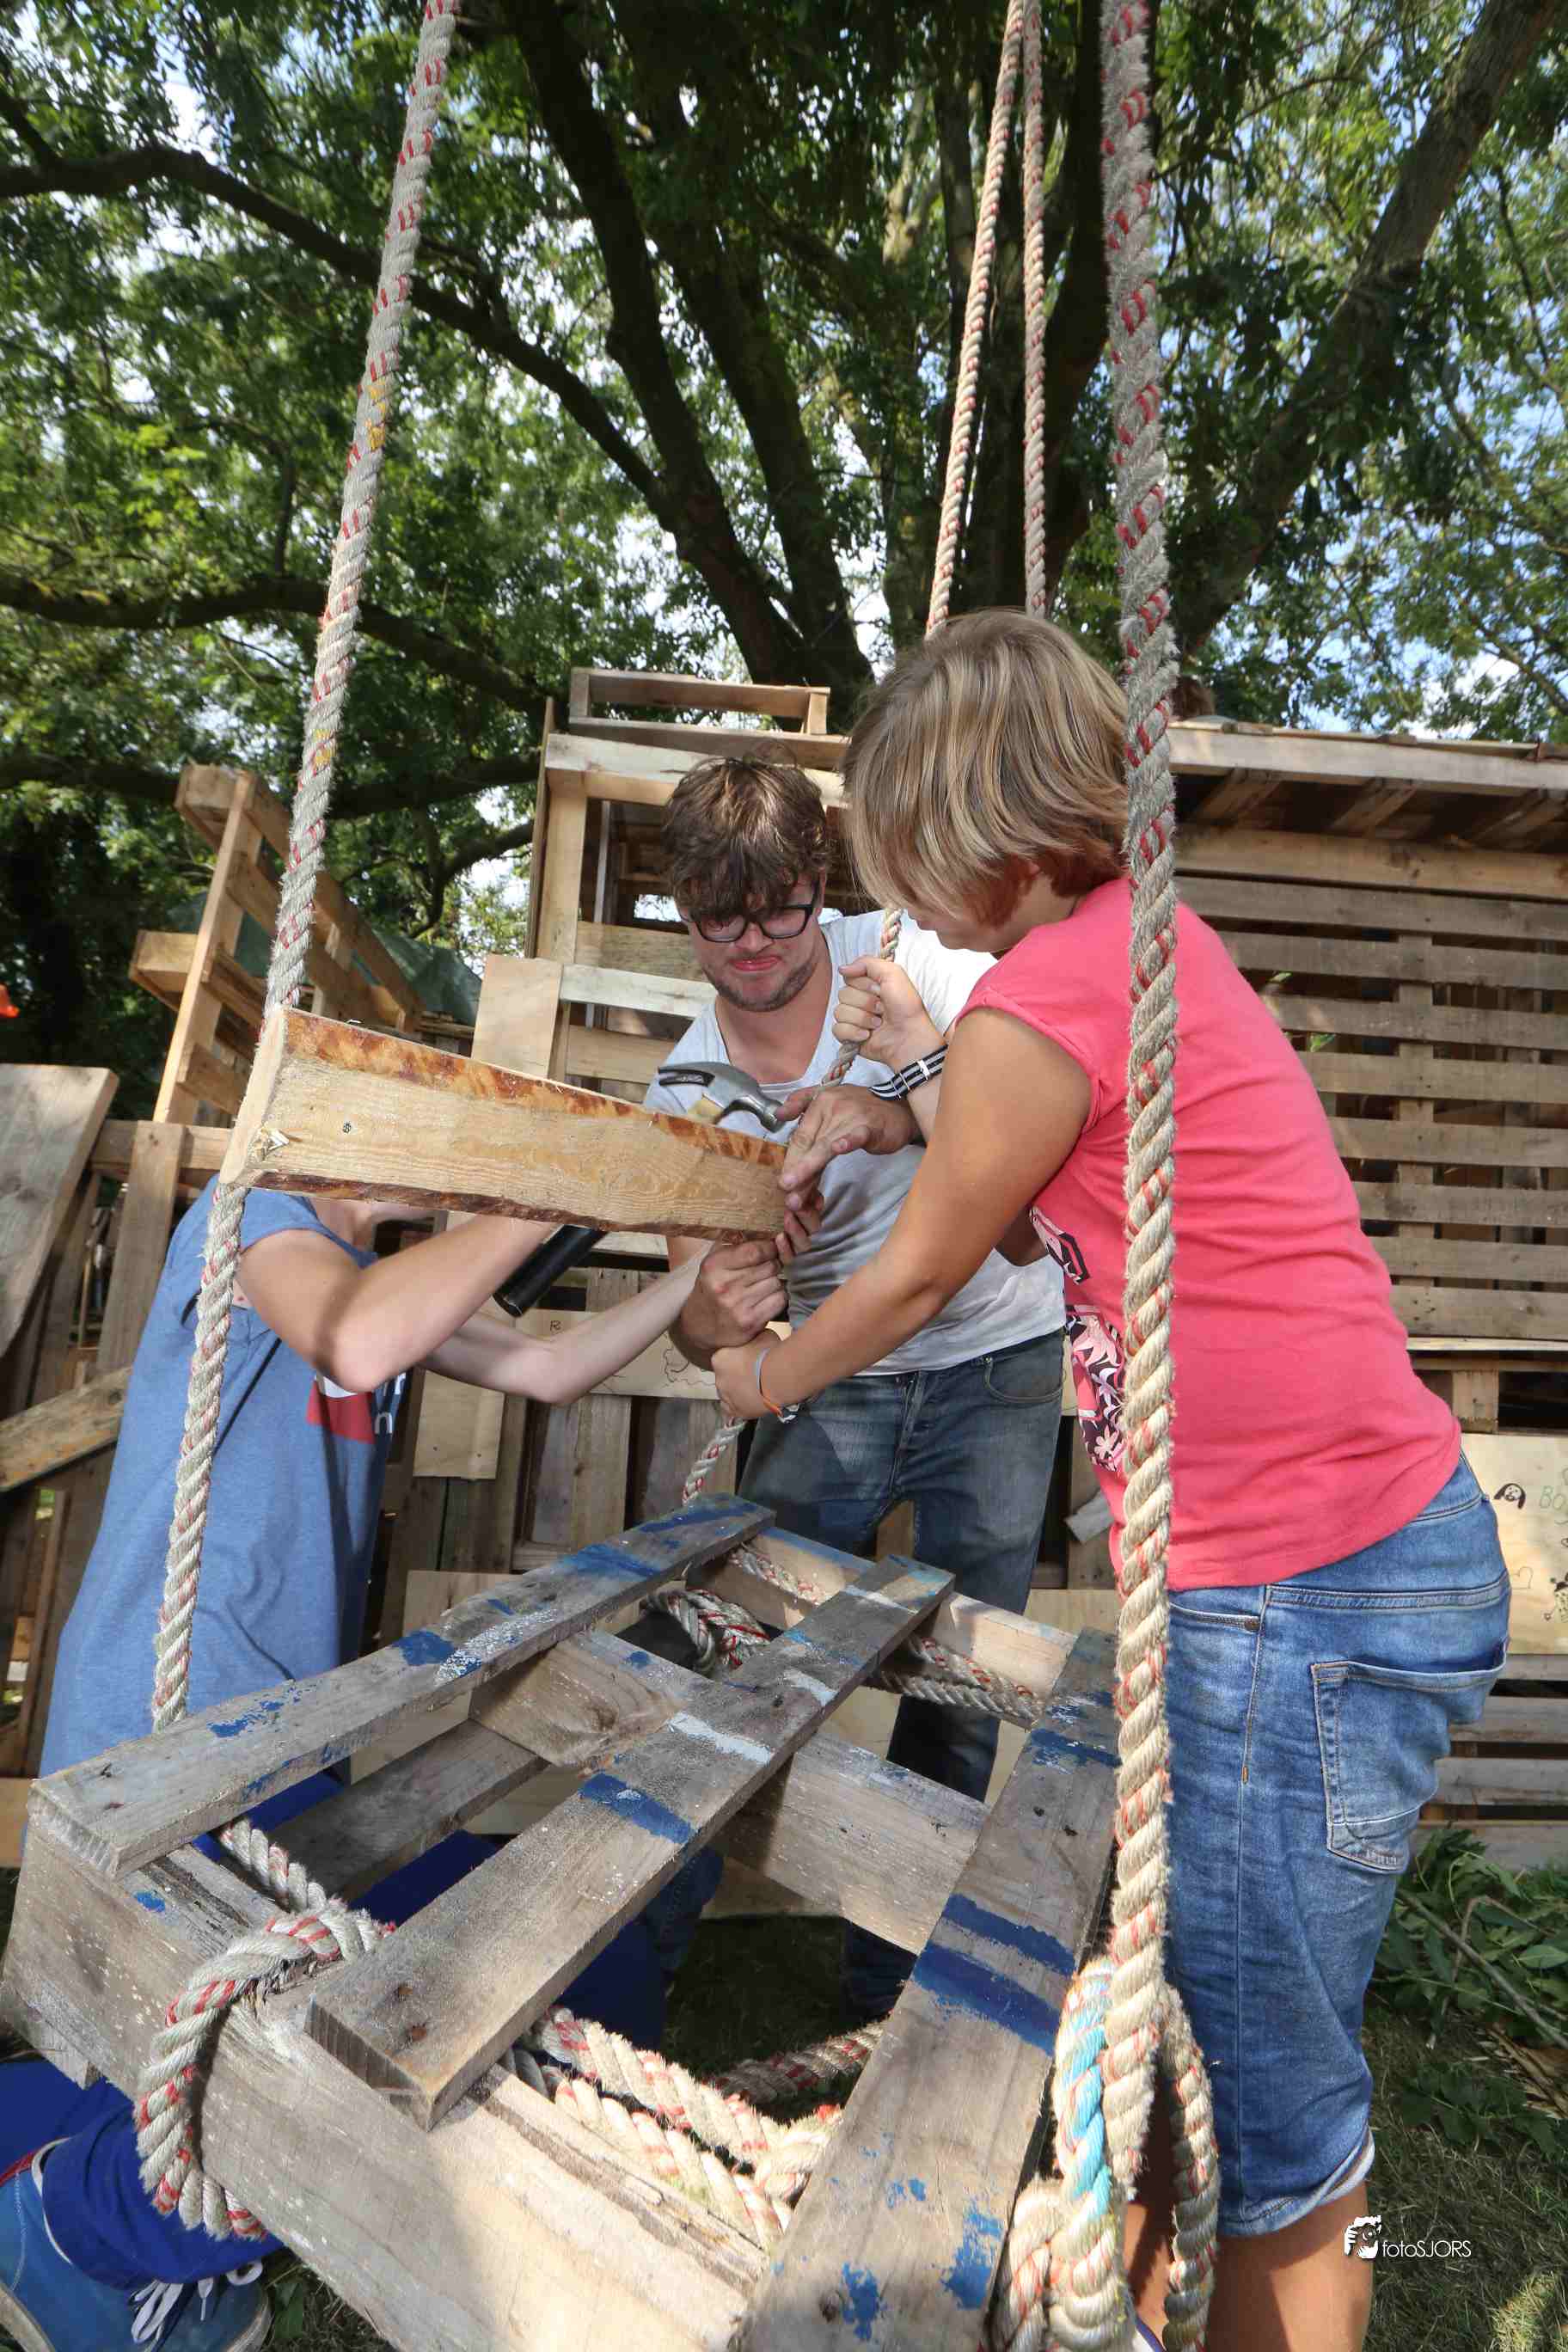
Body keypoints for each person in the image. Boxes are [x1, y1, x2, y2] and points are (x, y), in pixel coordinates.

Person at [709, 611, 1510, 2352]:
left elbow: (920, 1273)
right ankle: (1148, 2307)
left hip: (1302, 1589)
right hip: (1332, 1563)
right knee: (1192, 2027)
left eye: (905, 854)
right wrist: (903, 1109)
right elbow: (1036, 1167)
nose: (901, 900)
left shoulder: (1039, 1000)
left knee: (1264, 2097)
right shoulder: (1136, 951)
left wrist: (758, 1373)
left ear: (973, 827)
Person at [3, 1179, 809, 2352]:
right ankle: (77, 2226)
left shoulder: (369, 1278)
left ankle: (40, 2141)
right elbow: (356, 1339)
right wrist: (550, 1192)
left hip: (269, 1740)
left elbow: (549, 1368)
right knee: (453, 1999)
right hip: (169, 1727)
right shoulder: (253, 1210)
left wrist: (694, 1278)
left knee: (541, 1962)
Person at [642, 754, 1068, 2023]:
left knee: (964, 1688)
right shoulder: (685, 1090)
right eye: (721, 920)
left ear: (818, 883)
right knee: (741, 1669)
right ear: (682, 912)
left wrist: (900, 1099)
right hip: (829, 1382)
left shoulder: (910, 959)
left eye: (780, 912)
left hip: (996, 1362)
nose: (755, 945)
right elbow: (700, 1337)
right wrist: (729, 1297)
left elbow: (1034, 1169)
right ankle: (633, 1974)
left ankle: (894, 2011)